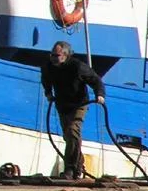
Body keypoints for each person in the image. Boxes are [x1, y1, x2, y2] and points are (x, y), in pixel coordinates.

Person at [40, 40, 105, 180]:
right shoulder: (49, 66)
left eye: (56, 56)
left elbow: (95, 80)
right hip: (62, 104)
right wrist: (48, 93)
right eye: (52, 55)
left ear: (65, 55)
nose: (53, 58)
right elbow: (46, 80)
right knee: (69, 137)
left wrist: (99, 94)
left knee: (72, 131)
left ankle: (70, 169)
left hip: (79, 103)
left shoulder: (78, 67)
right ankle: (78, 165)